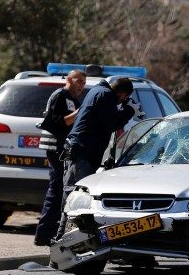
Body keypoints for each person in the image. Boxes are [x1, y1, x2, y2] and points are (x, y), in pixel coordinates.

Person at [55, 77, 136, 240]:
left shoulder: (98, 91)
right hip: (82, 152)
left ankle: (66, 237)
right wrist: (129, 111)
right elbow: (112, 123)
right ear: (122, 94)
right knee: (75, 195)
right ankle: (62, 239)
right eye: (125, 98)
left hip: (81, 150)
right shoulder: (105, 95)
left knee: (74, 193)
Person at [34, 70, 86, 246]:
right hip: (55, 149)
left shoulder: (72, 100)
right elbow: (56, 122)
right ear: (69, 80)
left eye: (84, 83)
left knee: (58, 190)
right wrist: (80, 112)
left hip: (62, 150)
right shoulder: (60, 96)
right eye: (79, 81)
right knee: (56, 190)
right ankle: (43, 235)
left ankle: (48, 233)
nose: (81, 86)